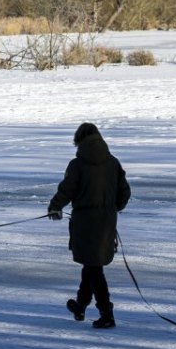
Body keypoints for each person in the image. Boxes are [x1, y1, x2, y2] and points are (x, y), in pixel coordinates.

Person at [48, 122, 131, 329]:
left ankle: (106, 313)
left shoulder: (77, 165)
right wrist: (113, 208)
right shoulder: (113, 162)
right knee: (92, 264)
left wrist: (55, 207)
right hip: (106, 222)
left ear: (79, 140)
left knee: (94, 268)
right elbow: (124, 192)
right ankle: (81, 305)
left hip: (85, 223)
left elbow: (67, 189)